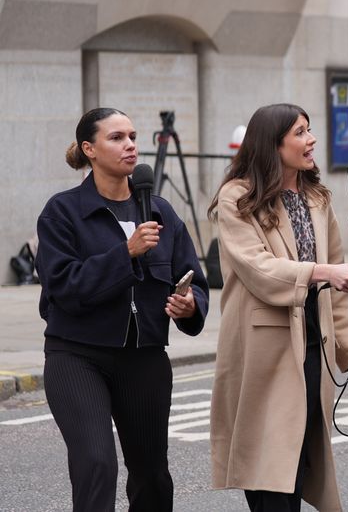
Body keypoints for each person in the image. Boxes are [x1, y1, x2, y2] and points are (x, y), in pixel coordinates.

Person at [36, 107, 209, 511]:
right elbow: (63, 287)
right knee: (96, 462)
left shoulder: (161, 212)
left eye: (132, 136)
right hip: (77, 355)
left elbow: (194, 279)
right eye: (116, 138)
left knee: (152, 476)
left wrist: (190, 305)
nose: (130, 145)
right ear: (89, 149)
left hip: (144, 357)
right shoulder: (63, 212)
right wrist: (125, 254)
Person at [208, 103, 348, 512]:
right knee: (269, 469)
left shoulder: (316, 198)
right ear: (273, 144)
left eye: (309, 130)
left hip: (313, 347)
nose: (311, 139)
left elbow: (337, 288)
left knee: (296, 461)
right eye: (299, 132)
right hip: (264, 352)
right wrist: (321, 272)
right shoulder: (237, 197)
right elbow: (258, 269)